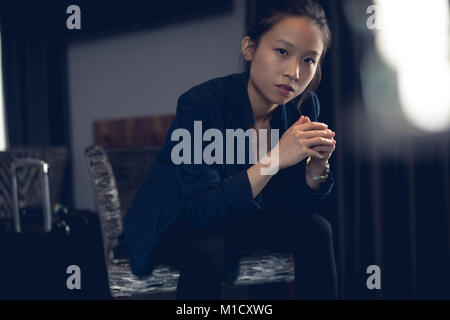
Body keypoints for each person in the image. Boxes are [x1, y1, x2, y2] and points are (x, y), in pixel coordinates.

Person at [122, 0, 338, 299]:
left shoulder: (304, 106)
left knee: (317, 229)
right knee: (207, 241)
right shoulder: (200, 105)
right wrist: (275, 159)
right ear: (250, 49)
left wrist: (317, 168)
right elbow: (202, 210)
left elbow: (295, 206)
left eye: (309, 60)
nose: (295, 73)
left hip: (246, 219)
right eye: (282, 52)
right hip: (182, 222)